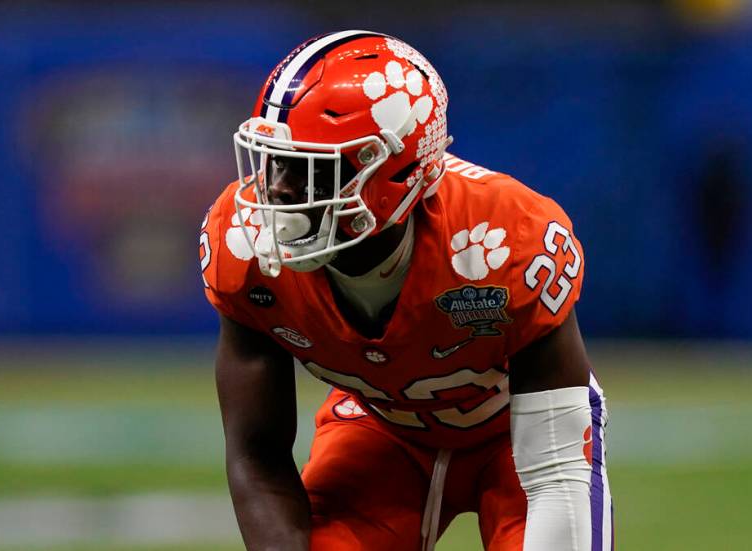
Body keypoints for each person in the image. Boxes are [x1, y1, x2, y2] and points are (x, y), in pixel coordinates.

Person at [201, 30, 613, 551]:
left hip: (518, 437)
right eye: (277, 161)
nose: (278, 189)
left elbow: (555, 471)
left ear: (394, 172)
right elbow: (256, 454)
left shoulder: (508, 238)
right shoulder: (246, 252)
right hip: (382, 429)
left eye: (311, 169)